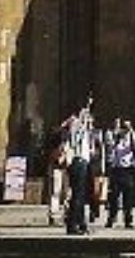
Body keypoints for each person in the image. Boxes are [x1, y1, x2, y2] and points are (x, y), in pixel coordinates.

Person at [64, 100, 95, 234]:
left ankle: (81, 223)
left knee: (82, 195)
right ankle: (72, 225)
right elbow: (75, 139)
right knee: (77, 195)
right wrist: (86, 110)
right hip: (78, 162)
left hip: (83, 162)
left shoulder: (81, 126)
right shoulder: (77, 125)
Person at [105, 118, 135, 228]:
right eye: (121, 127)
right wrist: (116, 136)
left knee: (128, 197)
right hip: (116, 169)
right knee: (113, 196)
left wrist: (131, 131)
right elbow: (109, 146)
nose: (123, 130)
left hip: (127, 169)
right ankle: (111, 218)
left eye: (124, 128)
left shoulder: (131, 137)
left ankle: (128, 220)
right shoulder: (111, 135)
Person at [44, 124, 72, 227]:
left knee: (66, 193)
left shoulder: (65, 145)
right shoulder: (57, 147)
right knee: (57, 192)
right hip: (58, 169)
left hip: (64, 169)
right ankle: (55, 215)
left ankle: (65, 215)